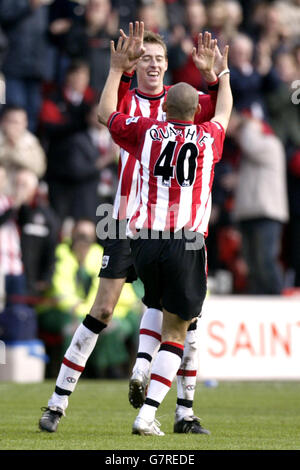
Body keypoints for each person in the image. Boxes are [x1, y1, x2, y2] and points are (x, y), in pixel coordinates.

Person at [38, 23, 222, 435]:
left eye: (159, 59)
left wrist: (213, 75)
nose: (153, 64)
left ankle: (183, 412)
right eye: (146, 59)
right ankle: (57, 401)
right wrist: (115, 70)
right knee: (103, 309)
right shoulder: (127, 101)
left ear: (168, 66)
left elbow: (221, 110)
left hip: (167, 229)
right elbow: (105, 113)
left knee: (186, 321)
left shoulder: (182, 105)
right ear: (136, 65)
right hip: (125, 222)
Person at [96, 26, 232, 435]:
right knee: (181, 329)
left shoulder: (146, 133)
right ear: (196, 112)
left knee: (154, 308)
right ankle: (150, 414)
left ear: (165, 108)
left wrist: (117, 72)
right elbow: (224, 111)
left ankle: (140, 365)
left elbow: (105, 113)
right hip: (187, 242)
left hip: (144, 242)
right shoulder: (208, 138)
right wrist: (220, 75)